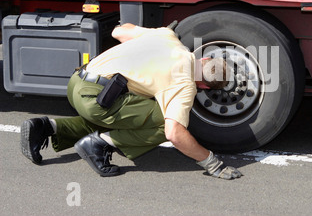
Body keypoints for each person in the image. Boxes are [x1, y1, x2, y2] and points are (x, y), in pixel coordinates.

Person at [20, 23, 242, 179]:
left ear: (203, 57)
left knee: (126, 113)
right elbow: (173, 134)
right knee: (165, 122)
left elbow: (119, 31)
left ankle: (46, 127)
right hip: (97, 99)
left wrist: (150, 40)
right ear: (203, 85)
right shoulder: (185, 87)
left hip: (76, 83)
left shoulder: (167, 36)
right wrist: (212, 164)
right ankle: (100, 144)